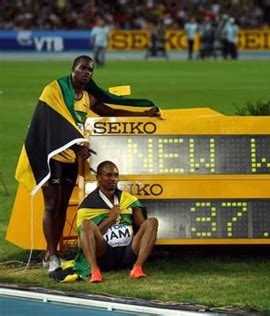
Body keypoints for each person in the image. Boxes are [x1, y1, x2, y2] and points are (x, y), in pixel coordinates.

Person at [15, 55, 161, 274]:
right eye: (83, 68)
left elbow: (108, 111)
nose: (87, 72)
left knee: (63, 206)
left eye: (90, 70)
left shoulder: (86, 97)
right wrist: (76, 147)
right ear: (73, 69)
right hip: (51, 155)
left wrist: (141, 114)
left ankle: (54, 251)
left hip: (71, 159)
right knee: (52, 205)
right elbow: (49, 122)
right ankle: (50, 254)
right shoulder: (54, 90)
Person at [76, 161, 158, 283]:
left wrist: (134, 215)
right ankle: (95, 271)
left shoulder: (127, 199)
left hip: (129, 252)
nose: (113, 179)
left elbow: (142, 227)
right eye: (109, 175)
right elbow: (88, 237)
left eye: (116, 175)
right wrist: (110, 219)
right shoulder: (88, 205)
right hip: (104, 253)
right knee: (86, 224)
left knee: (152, 222)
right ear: (98, 178)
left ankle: (137, 268)